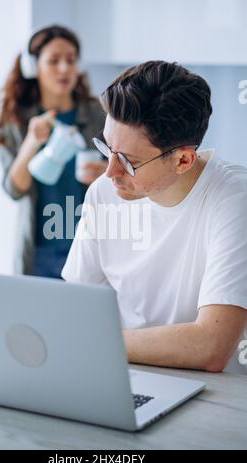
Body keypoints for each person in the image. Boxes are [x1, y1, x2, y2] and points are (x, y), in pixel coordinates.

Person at [62, 60, 247, 373]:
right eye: (107, 148)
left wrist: (95, 344)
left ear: (183, 160)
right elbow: (73, 306)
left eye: (129, 161)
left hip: (213, 398)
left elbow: (211, 346)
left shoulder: (233, 200)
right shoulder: (103, 193)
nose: (110, 172)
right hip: (123, 374)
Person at [0, 25, 107, 277]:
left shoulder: (99, 115)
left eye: (71, 60)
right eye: (54, 61)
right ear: (33, 67)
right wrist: (31, 142)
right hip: (39, 252)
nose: (65, 68)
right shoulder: (15, 120)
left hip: (89, 245)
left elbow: (128, 178)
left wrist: (108, 173)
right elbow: (14, 189)